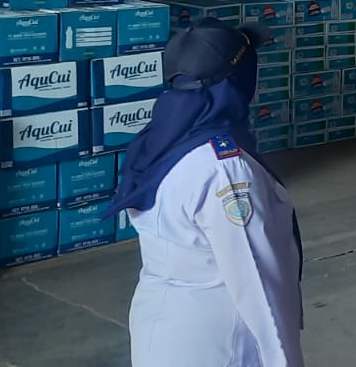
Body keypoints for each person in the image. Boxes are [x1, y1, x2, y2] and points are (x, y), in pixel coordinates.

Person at [109, 18, 304, 367]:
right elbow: (255, 282)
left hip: (165, 325)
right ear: (238, 81)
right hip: (218, 340)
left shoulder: (164, 136)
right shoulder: (223, 168)